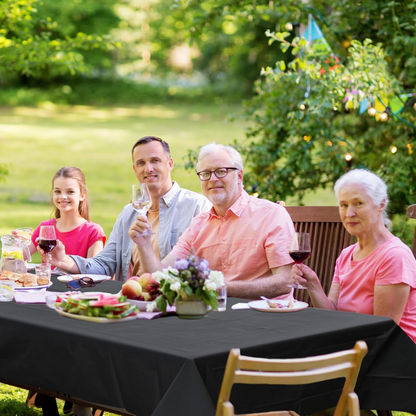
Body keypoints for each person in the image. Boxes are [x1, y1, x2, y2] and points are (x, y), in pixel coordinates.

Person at [129, 142, 295, 299]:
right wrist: (144, 245)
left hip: (268, 315)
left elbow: (285, 282)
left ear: (239, 175)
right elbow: (160, 276)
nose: (212, 179)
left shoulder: (271, 214)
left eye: (221, 171)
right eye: (206, 173)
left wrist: (221, 289)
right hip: (214, 316)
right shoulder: (198, 224)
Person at [42, 136, 211, 280]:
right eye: (141, 163)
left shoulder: (196, 206)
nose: (148, 168)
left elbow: (202, 267)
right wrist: (63, 260)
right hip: (131, 300)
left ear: (170, 164)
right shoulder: (129, 213)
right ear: (135, 170)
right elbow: (104, 264)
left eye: (155, 160)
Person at [291, 169, 416, 342]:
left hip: (392, 356)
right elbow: (332, 314)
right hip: (355, 345)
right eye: (343, 205)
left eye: (358, 203)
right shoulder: (346, 254)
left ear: (381, 204)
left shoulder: (394, 256)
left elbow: (382, 332)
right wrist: (312, 284)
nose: (349, 213)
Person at [27, 166, 106, 258]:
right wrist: (17, 244)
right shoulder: (45, 228)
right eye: (57, 191)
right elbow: (19, 258)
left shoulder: (93, 232)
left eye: (70, 192)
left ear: (82, 195)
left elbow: (93, 270)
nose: (63, 196)